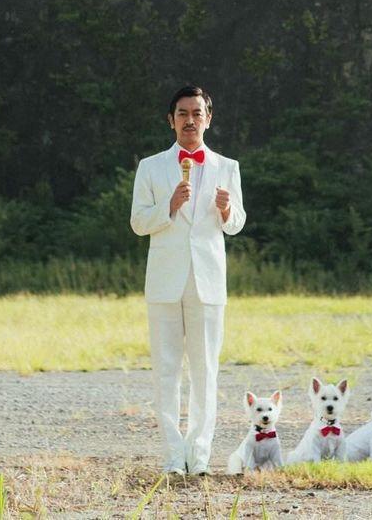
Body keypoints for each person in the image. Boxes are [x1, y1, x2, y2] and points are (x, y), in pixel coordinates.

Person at [130, 84, 246, 475]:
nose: (190, 120)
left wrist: (228, 211)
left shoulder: (227, 167)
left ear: (208, 119)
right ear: (171, 120)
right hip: (165, 280)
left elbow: (236, 224)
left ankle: (199, 455)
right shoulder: (151, 166)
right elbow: (137, 222)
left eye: (197, 113)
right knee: (166, 370)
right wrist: (169, 207)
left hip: (208, 281)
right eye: (182, 113)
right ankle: (172, 455)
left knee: (205, 370)